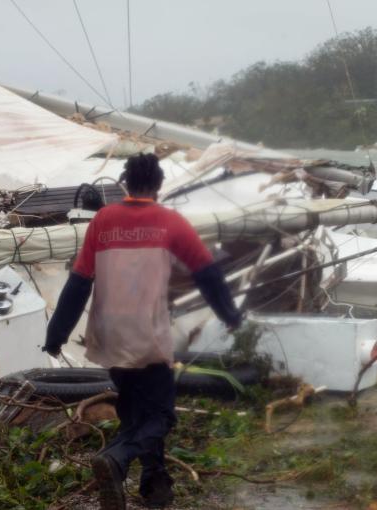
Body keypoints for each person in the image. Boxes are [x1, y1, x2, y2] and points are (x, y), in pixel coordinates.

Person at [43, 153, 242, 509]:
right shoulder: (170, 222)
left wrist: (56, 334)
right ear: (159, 185)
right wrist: (229, 314)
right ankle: (116, 458)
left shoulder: (103, 220)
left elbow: (78, 282)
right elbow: (207, 273)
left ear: (126, 184)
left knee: (136, 413)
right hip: (148, 336)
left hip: (110, 336)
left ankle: (153, 488)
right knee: (162, 415)